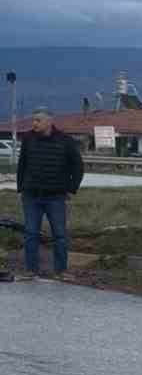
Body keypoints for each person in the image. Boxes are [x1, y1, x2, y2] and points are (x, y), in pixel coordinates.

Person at [16, 107, 84, 279]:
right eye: (34, 120)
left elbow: (78, 166)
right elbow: (22, 165)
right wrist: (20, 187)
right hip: (31, 195)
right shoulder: (28, 139)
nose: (34, 123)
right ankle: (31, 271)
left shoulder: (65, 141)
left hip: (55, 196)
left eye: (38, 120)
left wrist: (71, 188)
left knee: (59, 235)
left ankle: (61, 271)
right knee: (31, 233)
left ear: (49, 121)